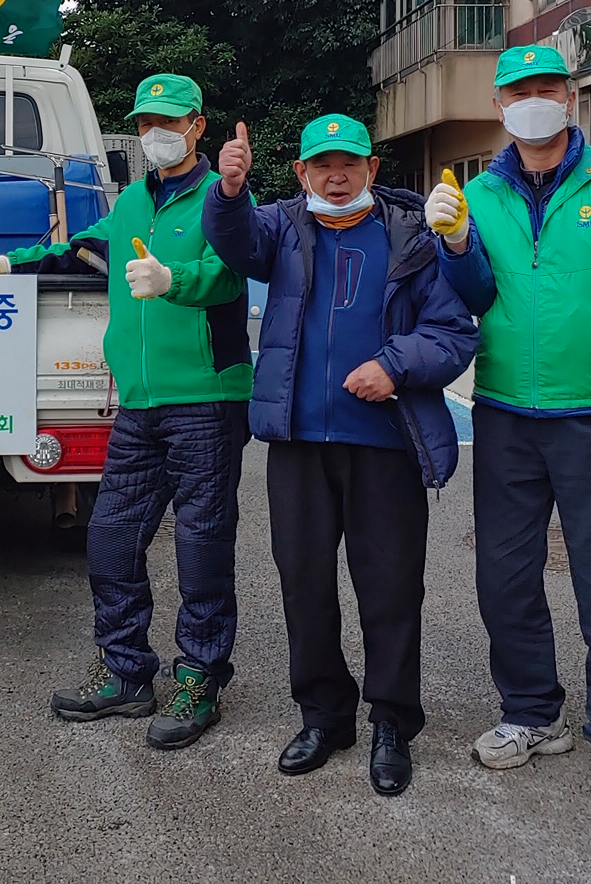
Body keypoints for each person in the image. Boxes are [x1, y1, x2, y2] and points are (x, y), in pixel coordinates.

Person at [0, 73, 251, 750]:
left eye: (168, 121)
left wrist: (177, 281)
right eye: (144, 122)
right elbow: (72, 247)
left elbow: (233, 273)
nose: (154, 134)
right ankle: (125, 672)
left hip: (206, 398)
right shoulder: (133, 202)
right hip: (140, 403)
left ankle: (200, 678)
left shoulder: (222, 198)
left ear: (199, 125)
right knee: (110, 538)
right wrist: (4, 264)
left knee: (203, 548)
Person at [425, 44, 591, 815]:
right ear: (499, 105)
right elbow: (473, 299)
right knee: (503, 579)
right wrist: (457, 244)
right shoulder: (480, 191)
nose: (533, 100)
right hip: (504, 410)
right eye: (518, 91)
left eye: (546, 87)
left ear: (569, 97)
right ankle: (533, 713)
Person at [203, 113, 478, 795]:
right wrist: (229, 190)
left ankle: (392, 722)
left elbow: (453, 333)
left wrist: (394, 364)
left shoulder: (411, 236)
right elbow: (233, 242)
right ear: (299, 173)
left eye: (349, 163)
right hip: (297, 441)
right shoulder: (279, 226)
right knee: (305, 586)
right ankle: (324, 715)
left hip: (383, 442)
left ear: (372, 170)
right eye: (321, 164)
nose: (336, 175)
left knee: (389, 590)